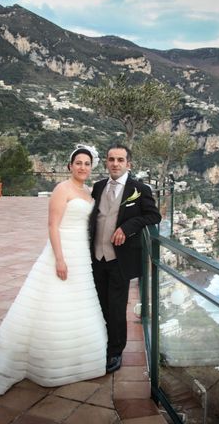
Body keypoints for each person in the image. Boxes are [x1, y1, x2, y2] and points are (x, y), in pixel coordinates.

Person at [0, 145, 106, 402]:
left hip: (81, 255)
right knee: (53, 300)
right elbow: (52, 225)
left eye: (87, 164)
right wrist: (59, 258)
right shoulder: (62, 189)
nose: (82, 167)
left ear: (91, 168)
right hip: (63, 250)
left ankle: (76, 360)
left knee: (75, 303)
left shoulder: (88, 192)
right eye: (78, 162)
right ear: (70, 166)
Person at [90, 144, 161, 373]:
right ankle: (101, 343)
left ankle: (115, 352)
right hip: (96, 257)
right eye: (111, 159)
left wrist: (127, 227)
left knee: (117, 307)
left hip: (120, 259)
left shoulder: (139, 189)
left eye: (120, 160)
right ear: (106, 163)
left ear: (128, 164)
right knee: (99, 303)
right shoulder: (98, 187)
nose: (115, 164)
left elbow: (153, 215)